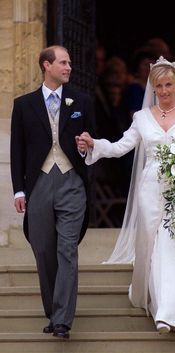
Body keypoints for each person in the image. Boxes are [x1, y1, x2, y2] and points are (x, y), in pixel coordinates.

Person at [76, 56, 175, 333]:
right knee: (153, 245)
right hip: (149, 189)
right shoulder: (141, 117)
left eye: (168, 85)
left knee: (171, 242)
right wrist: (94, 144)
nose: (163, 91)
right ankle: (160, 301)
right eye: (158, 85)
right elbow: (121, 146)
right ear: (152, 87)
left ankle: (169, 313)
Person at [10, 45, 94, 339]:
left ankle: (62, 320)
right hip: (39, 184)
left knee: (67, 250)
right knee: (44, 250)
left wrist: (87, 146)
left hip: (72, 183)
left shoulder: (82, 100)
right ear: (47, 65)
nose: (69, 67)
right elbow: (16, 149)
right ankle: (53, 310)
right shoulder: (24, 104)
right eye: (63, 62)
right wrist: (18, 191)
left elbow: (93, 143)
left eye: (70, 62)